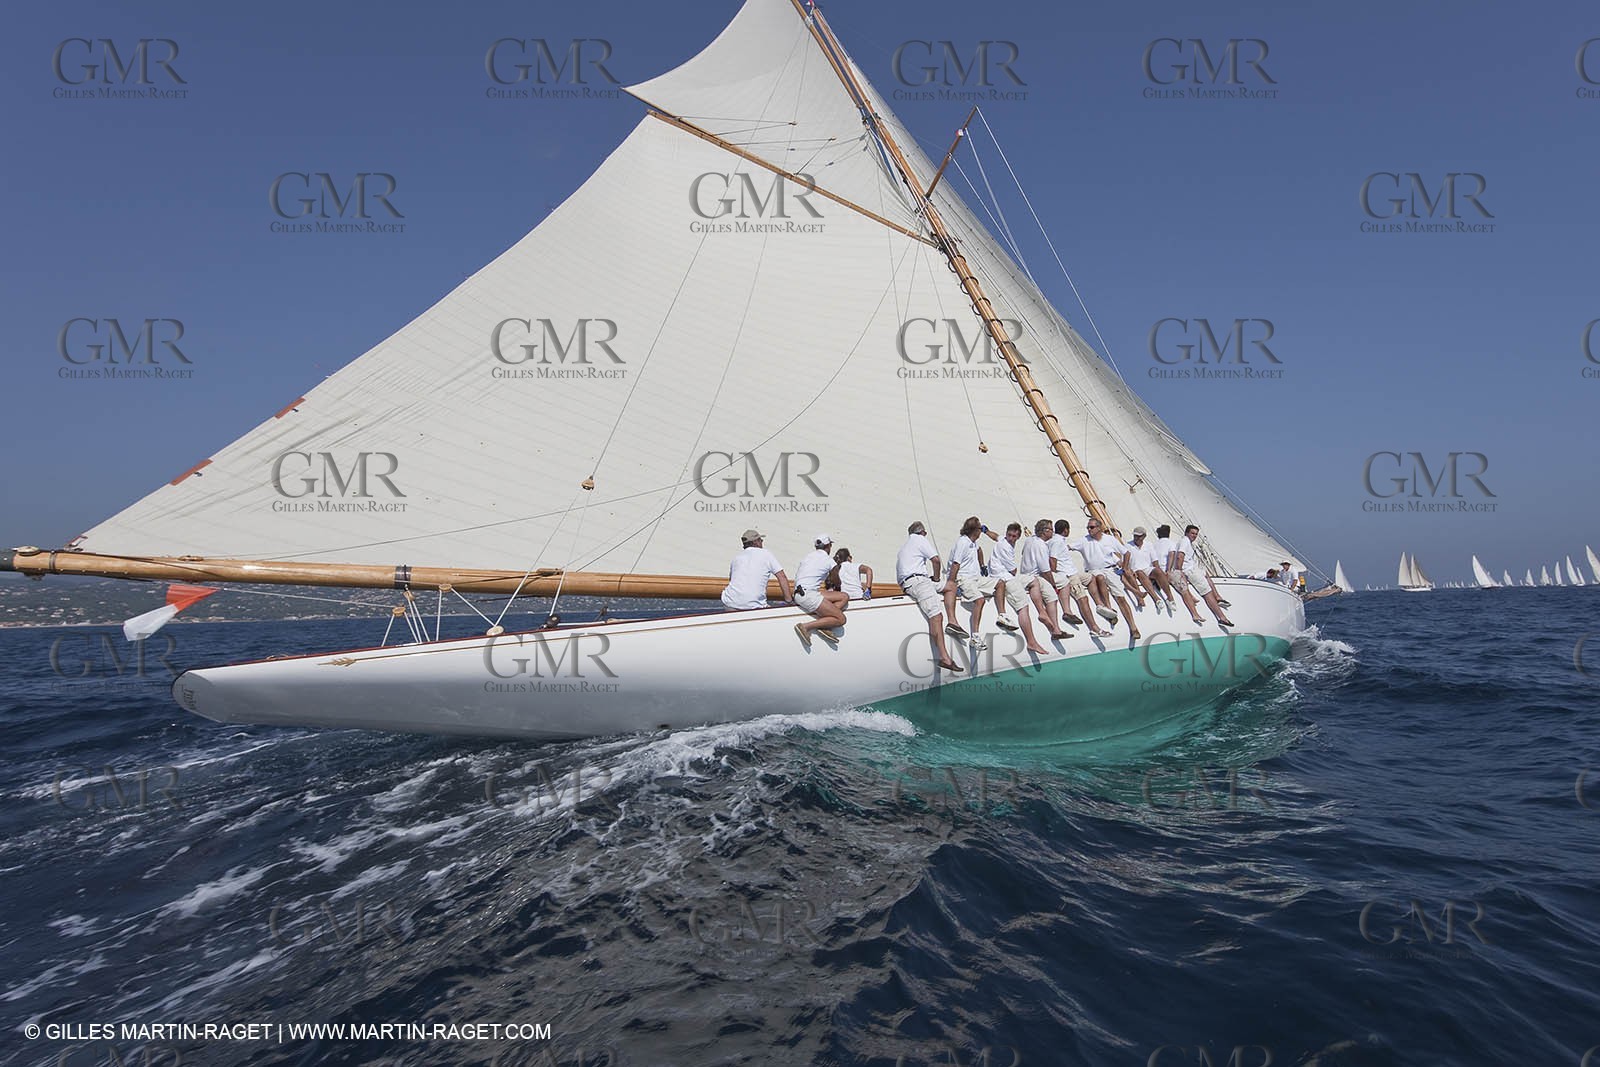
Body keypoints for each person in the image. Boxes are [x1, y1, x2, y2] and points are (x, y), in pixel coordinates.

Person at [896, 521, 962, 672]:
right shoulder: (920, 539)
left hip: (912, 582)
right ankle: (945, 658)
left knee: (951, 586)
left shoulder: (904, 547)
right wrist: (937, 578)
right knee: (936, 616)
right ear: (923, 533)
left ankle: (952, 621)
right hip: (918, 581)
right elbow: (936, 560)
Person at [983, 521, 1051, 655]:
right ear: (1007, 534)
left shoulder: (1003, 539)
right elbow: (1013, 570)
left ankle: (1042, 612)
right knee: (1023, 607)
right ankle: (1031, 642)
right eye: (1009, 535)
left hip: (1008, 575)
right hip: (1006, 578)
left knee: (1033, 580)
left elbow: (995, 536)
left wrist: (986, 531)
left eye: (1014, 536)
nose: (1011, 538)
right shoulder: (1005, 548)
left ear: (1018, 537)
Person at [943, 516, 1008, 650]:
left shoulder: (973, 542)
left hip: (975, 578)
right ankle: (975, 637)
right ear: (975, 530)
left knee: (1000, 583)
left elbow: (979, 551)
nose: (981, 531)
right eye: (980, 528)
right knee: (980, 600)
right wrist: (951, 583)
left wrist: (982, 565)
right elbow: (956, 564)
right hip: (964, 578)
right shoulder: (963, 542)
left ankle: (1002, 616)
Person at [1069, 518, 1140, 639]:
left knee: (1121, 598)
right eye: (1088, 527)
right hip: (1094, 570)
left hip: (1110, 569)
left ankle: (1133, 627)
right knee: (1100, 578)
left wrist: (1124, 568)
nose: (1089, 530)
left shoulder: (1110, 539)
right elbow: (1068, 547)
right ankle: (1109, 609)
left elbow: (1126, 553)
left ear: (1099, 528)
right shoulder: (1084, 540)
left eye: (1091, 527)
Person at [1047, 519, 1105, 636]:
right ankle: (1094, 627)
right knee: (1083, 598)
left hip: (1073, 572)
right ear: (1066, 530)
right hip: (1068, 575)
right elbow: (1052, 560)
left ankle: (1099, 604)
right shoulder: (1057, 542)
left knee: (1090, 578)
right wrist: (1054, 578)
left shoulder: (1058, 540)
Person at [1171, 523, 1234, 627]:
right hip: (1190, 571)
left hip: (1193, 568)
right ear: (1186, 533)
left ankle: (1217, 596)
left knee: (1205, 573)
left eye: (1196, 534)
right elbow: (1180, 556)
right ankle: (1222, 617)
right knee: (1207, 593)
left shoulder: (1186, 542)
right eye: (1192, 533)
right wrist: (1179, 570)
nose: (1194, 536)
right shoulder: (1184, 541)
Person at [792, 534, 849, 647]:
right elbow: (836, 581)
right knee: (841, 619)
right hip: (808, 595)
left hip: (801, 593)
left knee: (844, 597)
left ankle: (825, 623)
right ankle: (806, 626)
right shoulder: (828, 560)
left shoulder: (807, 557)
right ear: (828, 546)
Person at [1018, 519, 1070, 640]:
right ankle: (1057, 627)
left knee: (1059, 582)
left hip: (1025, 574)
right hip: (1036, 575)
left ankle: (1059, 623)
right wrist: (1053, 585)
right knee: (1053, 596)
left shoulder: (1029, 540)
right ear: (1045, 531)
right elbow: (1045, 570)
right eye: (1051, 530)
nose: (1053, 532)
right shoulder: (1041, 545)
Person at [720, 528, 793, 612]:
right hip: (753, 605)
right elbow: (782, 576)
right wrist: (789, 601)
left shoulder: (737, 558)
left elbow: (732, 580)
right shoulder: (766, 554)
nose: (762, 542)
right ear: (755, 542)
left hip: (730, 603)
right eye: (760, 540)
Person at [1122, 527, 1163, 609]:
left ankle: (1167, 598)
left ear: (1144, 536)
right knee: (1139, 573)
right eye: (1135, 536)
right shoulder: (1127, 545)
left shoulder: (1149, 545)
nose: (1136, 538)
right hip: (1135, 570)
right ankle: (1152, 598)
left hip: (1147, 569)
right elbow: (1124, 563)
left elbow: (1155, 561)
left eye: (1139, 536)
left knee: (1157, 572)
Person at [1146, 524, 1179, 608]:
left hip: (1153, 570)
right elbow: (1171, 556)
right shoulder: (1171, 543)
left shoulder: (1154, 544)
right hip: (1163, 570)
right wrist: (1168, 570)